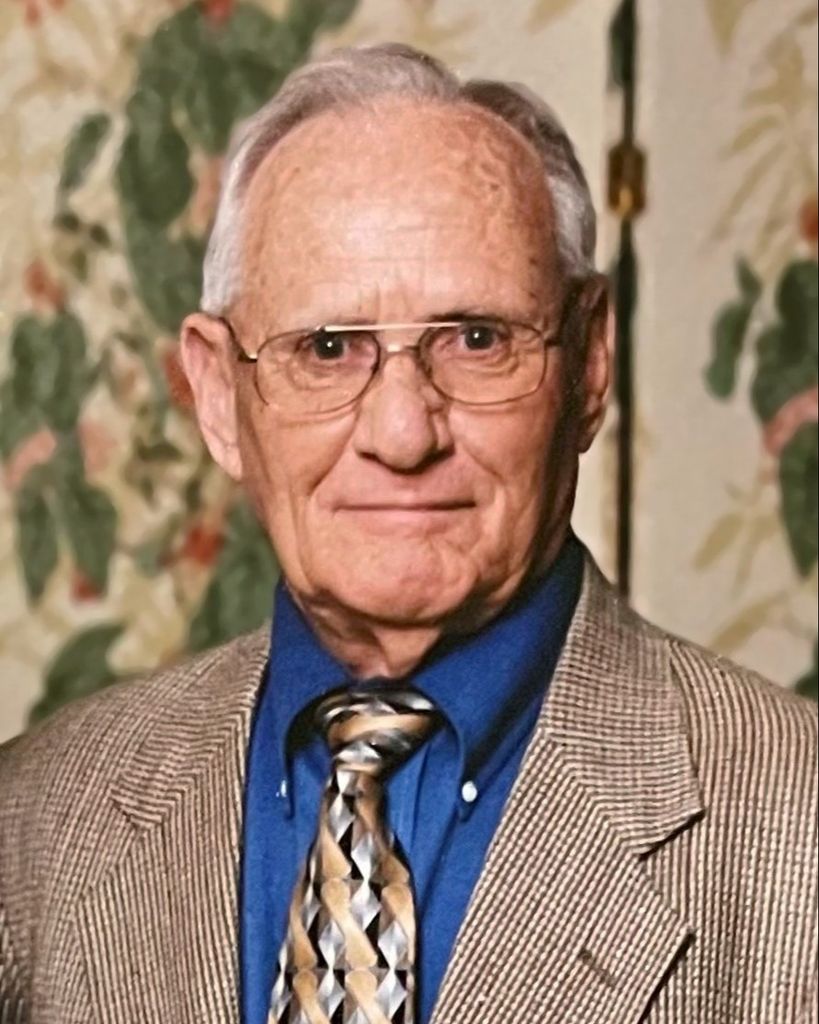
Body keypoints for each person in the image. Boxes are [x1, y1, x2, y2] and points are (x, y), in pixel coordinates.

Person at [0, 42, 816, 1024]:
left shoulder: (795, 821)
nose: (401, 433)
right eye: (327, 348)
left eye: (476, 339)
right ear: (218, 394)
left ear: (590, 364)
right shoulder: (33, 819)